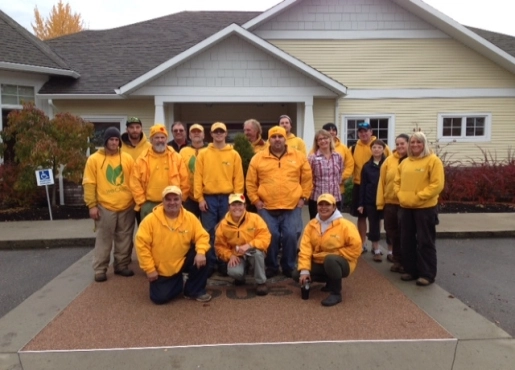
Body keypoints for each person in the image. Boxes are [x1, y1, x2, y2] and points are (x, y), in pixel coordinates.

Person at [246, 126, 313, 278]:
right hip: (267, 206)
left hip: (292, 205)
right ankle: (271, 266)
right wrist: (255, 201)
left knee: (291, 235)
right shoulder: (258, 158)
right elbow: (250, 182)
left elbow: (307, 179)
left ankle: (289, 266)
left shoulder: (298, 156)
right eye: (274, 137)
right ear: (269, 139)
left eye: (280, 136)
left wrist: (303, 198)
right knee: (271, 236)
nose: (277, 139)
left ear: (285, 138)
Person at [135, 185, 212, 304]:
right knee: (159, 299)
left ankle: (193, 290)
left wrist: (201, 252)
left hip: (182, 260)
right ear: (163, 201)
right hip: (162, 269)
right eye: (168, 199)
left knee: (206, 253)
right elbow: (142, 246)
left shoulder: (190, 218)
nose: (172, 203)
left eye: (176, 199)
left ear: (181, 200)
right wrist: (150, 269)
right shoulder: (149, 221)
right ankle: (180, 282)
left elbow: (202, 236)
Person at [82, 127, 135, 282]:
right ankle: (100, 269)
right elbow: (89, 183)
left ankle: (121, 265)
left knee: (124, 238)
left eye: (116, 140)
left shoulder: (127, 158)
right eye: (111, 139)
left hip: (126, 205)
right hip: (105, 206)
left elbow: (134, 180)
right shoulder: (94, 159)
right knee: (104, 238)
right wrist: (91, 205)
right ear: (105, 141)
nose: (114, 142)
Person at [394, 132, 444, 286]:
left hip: (425, 208)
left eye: (419, 142)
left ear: (424, 144)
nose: (415, 145)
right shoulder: (405, 162)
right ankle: (411, 270)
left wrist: (419, 197)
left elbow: (437, 185)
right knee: (406, 240)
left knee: (425, 241)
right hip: (405, 207)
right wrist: (400, 195)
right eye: (413, 142)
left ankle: (427, 274)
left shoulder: (433, 161)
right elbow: (396, 181)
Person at [294, 194, 362, 306]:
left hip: (344, 263)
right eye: (321, 204)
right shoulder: (311, 225)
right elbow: (305, 248)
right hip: (322, 261)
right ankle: (330, 280)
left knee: (331, 260)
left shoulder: (345, 225)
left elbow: (356, 248)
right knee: (297, 275)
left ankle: (336, 293)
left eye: (327, 204)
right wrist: (305, 270)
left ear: (334, 207)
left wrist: (332, 255)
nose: (323, 207)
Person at [194, 122, 245, 272]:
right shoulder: (203, 153)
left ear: (225, 133)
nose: (218, 134)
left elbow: (238, 179)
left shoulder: (234, 154)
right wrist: (200, 198)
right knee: (209, 232)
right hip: (208, 199)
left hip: (227, 199)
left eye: (221, 131)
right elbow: (198, 178)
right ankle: (209, 264)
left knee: (226, 232)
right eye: (215, 131)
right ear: (211, 134)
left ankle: (224, 262)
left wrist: (236, 201)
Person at [215, 193, 271, 295]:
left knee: (258, 254)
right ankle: (241, 276)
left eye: (240, 204)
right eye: (233, 205)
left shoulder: (255, 218)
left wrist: (249, 245)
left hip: (253, 251)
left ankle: (261, 283)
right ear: (229, 207)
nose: (237, 208)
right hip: (236, 255)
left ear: (245, 206)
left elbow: (265, 237)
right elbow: (219, 246)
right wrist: (229, 255)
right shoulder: (223, 225)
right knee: (234, 272)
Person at [130, 124, 189, 220]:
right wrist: (142, 202)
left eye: (162, 137)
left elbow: (184, 181)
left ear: (166, 139)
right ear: (151, 140)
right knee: (149, 234)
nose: (160, 140)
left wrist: (181, 200)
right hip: (149, 204)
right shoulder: (142, 159)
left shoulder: (176, 157)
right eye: (156, 137)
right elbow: (134, 182)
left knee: (172, 232)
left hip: (172, 203)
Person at [350, 122, 392, 253]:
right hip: (359, 184)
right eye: (361, 131)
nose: (363, 134)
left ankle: (376, 243)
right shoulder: (353, 148)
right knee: (361, 217)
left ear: (371, 132)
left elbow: (391, 163)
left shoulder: (381, 146)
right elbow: (349, 164)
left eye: (366, 131)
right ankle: (362, 243)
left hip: (378, 186)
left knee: (376, 217)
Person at [377, 134, 410, 272]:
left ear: (408, 144)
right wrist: (380, 203)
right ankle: (397, 260)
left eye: (402, 143)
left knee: (406, 233)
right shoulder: (388, 161)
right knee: (392, 233)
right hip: (390, 203)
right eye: (397, 144)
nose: (400, 146)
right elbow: (382, 182)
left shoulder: (412, 160)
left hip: (406, 204)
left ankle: (408, 262)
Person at [358, 139, 387, 262]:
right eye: (374, 147)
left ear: (383, 149)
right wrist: (361, 203)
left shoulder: (387, 164)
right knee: (374, 223)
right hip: (370, 199)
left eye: (379, 147)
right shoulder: (367, 166)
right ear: (371, 149)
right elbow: (363, 184)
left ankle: (392, 251)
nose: (376, 150)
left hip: (386, 198)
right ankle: (376, 249)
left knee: (389, 225)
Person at [307, 129, 344, 219]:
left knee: (335, 224)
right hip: (317, 197)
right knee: (317, 224)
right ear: (317, 142)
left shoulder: (338, 157)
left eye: (325, 138)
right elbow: (308, 177)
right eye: (320, 139)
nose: (323, 141)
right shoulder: (312, 158)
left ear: (330, 139)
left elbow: (339, 175)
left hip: (334, 196)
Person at [321, 122, 355, 208]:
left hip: (338, 188)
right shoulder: (318, 147)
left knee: (336, 215)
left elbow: (350, 165)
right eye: (329, 130)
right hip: (321, 189)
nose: (331, 132)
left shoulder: (343, 148)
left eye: (334, 130)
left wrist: (341, 177)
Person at [180, 123, 208, 218]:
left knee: (207, 228)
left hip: (206, 196)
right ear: (189, 136)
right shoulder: (183, 151)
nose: (196, 134)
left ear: (203, 135)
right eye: (193, 132)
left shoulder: (210, 150)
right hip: (189, 197)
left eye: (199, 132)